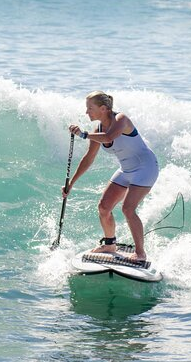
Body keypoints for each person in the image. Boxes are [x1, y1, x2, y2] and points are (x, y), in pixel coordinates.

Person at [62, 91, 159, 262]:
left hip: (146, 168)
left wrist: (83, 134)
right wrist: (71, 184)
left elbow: (108, 137)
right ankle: (109, 244)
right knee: (104, 207)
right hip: (126, 170)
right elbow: (88, 159)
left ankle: (140, 253)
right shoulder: (97, 129)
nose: (87, 112)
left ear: (104, 108)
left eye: (90, 108)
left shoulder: (121, 120)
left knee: (128, 209)